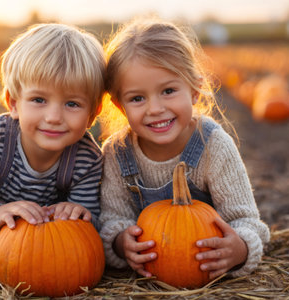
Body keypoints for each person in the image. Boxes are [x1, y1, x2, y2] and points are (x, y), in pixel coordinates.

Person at [98, 18, 270, 280]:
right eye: (137, 98)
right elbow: (112, 220)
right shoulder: (117, 153)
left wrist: (240, 248)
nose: (155, 108)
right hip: (153, 272)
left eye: (168, 90)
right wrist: (121, 243)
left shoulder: (212, 145)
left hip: (204, 269)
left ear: (194, 90)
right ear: (120, 105)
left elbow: (247, 220)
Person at [0, 23, 106, 247]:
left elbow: (93, 232)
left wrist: (81, 214)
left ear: (92, 114)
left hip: (51, 251)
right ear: (13, 103)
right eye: (38, 100)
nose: (53, 117)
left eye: (72, 103)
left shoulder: (87, 159)